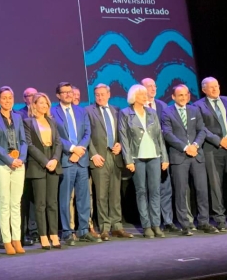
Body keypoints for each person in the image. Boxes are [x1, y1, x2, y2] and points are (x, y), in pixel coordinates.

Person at [161, 85, 218, 235]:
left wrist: (195, 145)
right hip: (179, 156)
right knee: (181, 191)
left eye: (186, 94)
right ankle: (185, 224)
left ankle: (204, 221)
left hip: (196, 155)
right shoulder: (167, 112)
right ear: (173, 97)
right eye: (180, 95)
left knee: (201, 189)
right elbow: (167, 134)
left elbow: (202, 130)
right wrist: (185, 147)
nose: (184, 97)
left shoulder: (194, 110)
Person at [194, 77, 227, 231]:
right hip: (212, 149)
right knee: (216, 186)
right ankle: (220, 219)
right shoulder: (198, 106)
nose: (215, 89)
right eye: (211, 87)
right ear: (204, 90)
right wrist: (218, 140)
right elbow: (201, 127)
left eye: (216, 86)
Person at [51, 82, 100, 245]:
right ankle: (67, 231)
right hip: (66, 159)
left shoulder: (81, 111)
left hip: (81, 160)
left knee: (84, 197)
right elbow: (56, 135)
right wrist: (72, 149)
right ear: (58, 95)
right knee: (65, 197)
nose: (68, 95)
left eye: (70, 92)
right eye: (64, 92)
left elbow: (87, 132)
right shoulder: (53, 112)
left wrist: (79, 150)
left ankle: (84, 230)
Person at [119, 84, 170, 238]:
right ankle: (146, 225)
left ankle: (156, 224)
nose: (145, 96)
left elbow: (159, 137)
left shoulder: (152, 113)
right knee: (141, 191)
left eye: (145, 94)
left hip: (154, 156)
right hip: (136, 157)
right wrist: (128, 159)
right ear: (134, 97)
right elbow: (124, 138)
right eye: (142, 94)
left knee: (155, 191)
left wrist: (164, 157)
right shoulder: (125, 113)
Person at [85, 84, 131, 240]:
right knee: (101, 195)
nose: (100, 97)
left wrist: (120, 144)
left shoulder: (117, 110)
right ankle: (104, 228)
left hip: (115, 156)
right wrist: (93, 155)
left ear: (109, 94)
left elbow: (122, 132)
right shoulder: (88, 111)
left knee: (115, 194)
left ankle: (117, 226)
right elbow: (87, 136)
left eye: (102, 94)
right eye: (97, 95)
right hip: (100, 157)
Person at [0, 86, 28, 255]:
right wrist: (10, 160)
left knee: (16, 204)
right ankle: (6, 240)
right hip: (2, 165)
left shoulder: (18, 117)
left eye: (10, 98)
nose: (7, 101)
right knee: (4, 203)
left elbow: (24, 141)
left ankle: (17, 239)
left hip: (19, 164)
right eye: (4, 98)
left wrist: (21, 159)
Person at [24, 93, 63, 249]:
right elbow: (29, 145)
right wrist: (45, 162)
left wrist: (54, 159)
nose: (44, 106)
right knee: (40, 204)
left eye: (46, 103)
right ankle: (43, 235)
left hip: (53, 162)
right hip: (38, 164)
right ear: (34, 105)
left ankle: (54, 234)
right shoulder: (28, 122)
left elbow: (59, 143)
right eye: (41, 103)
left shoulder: (51, 121)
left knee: (52, 202)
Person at [141, 78, 180, 232]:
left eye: (154, 86)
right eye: (149, 86)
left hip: (162, 152)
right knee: (148, 189)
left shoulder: (163, 106)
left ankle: (168, 220)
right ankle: (151, 222)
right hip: (144, 154)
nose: (153, 88)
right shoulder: (136, 108)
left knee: (165, 188)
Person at [16, 87, 40, 246]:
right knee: (23, 199)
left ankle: (36, 230)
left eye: (33, 95)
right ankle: (24, 232)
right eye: (27, 96)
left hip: (40, 163)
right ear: (24, 98)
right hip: (25, 162)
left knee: (36, 200)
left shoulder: (44, 114)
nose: (30, 98)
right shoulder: (19, 115)